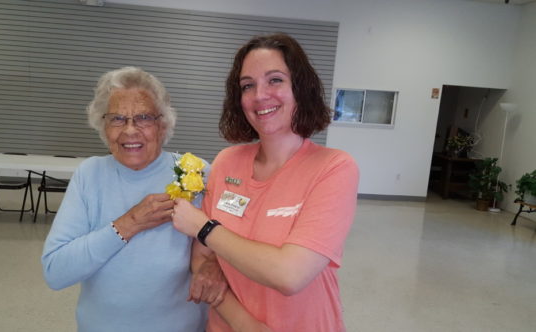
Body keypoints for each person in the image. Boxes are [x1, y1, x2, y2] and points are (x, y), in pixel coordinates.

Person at [172, 33, 359, 331]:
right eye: (248, 85)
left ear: (301, 88)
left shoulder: (333, 168)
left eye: (275, 80)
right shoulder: (227, 162)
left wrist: (203, 227)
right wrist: (246, 324)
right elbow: (202, 260)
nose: (260, 95)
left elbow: (289, 274)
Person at [41, 66, 216, 332]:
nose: (130, 130)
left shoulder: (196, 172)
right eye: (117, 119)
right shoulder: (89, 175)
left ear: (163, 123)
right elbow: (55, 271)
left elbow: (225, 247)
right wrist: (128, 223)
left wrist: (215, 267)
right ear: (103, 125)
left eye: (144, 117)